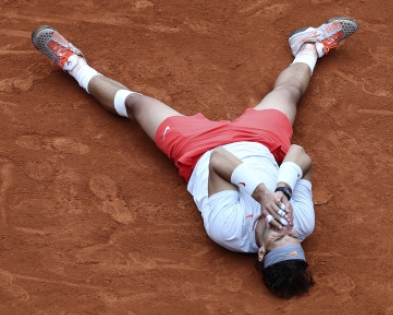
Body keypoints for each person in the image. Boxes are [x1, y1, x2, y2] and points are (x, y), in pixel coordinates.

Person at [30, 17, 358, 298]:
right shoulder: (301, 224)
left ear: (260, 252)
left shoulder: (227, 231)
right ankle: (308, 47)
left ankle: (72, 62)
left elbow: (218, 159)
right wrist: (283, 191)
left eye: (278, 237)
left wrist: (261, 193)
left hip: (198, 148)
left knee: (137, 105)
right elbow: (299, 154)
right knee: (288, 93)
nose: (287, 228)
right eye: (293, 237)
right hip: (262, 143)